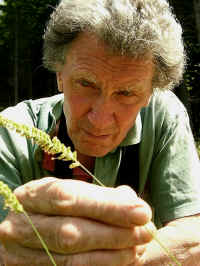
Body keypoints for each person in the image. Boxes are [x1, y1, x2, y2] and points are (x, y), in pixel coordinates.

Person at [0, 0, 200, 265]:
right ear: (60, 74)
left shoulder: (164, 116)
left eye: (126, 93)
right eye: (86, 83)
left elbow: (193, 235)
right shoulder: (12, 130)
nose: (100, 120)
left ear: (150, 94)